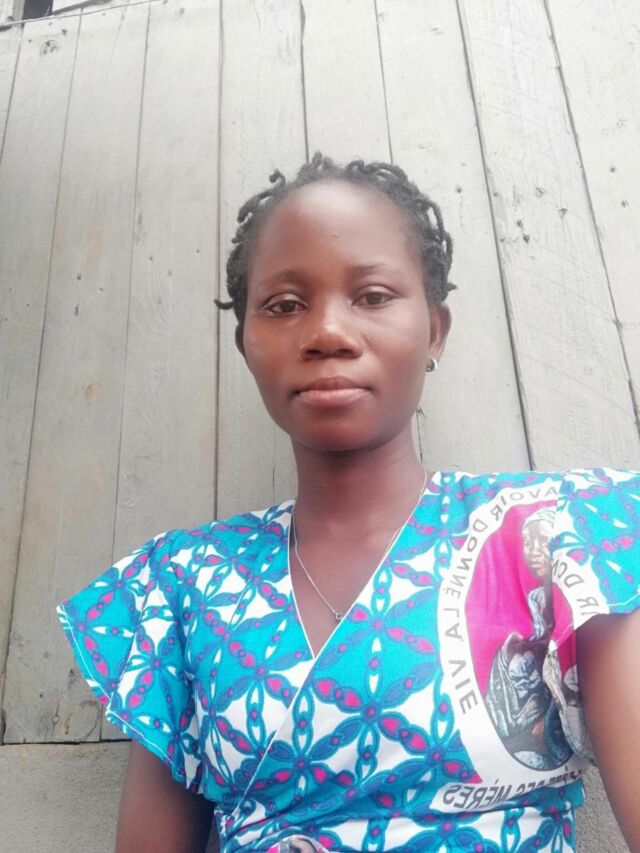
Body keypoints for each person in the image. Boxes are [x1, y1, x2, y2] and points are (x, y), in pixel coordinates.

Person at [57, 153, 640, 852]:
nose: (328, 333)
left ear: (436, 330)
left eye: (372, 295)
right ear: (245, 343)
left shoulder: (549, 540)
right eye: (284, 305)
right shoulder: (185, 583)